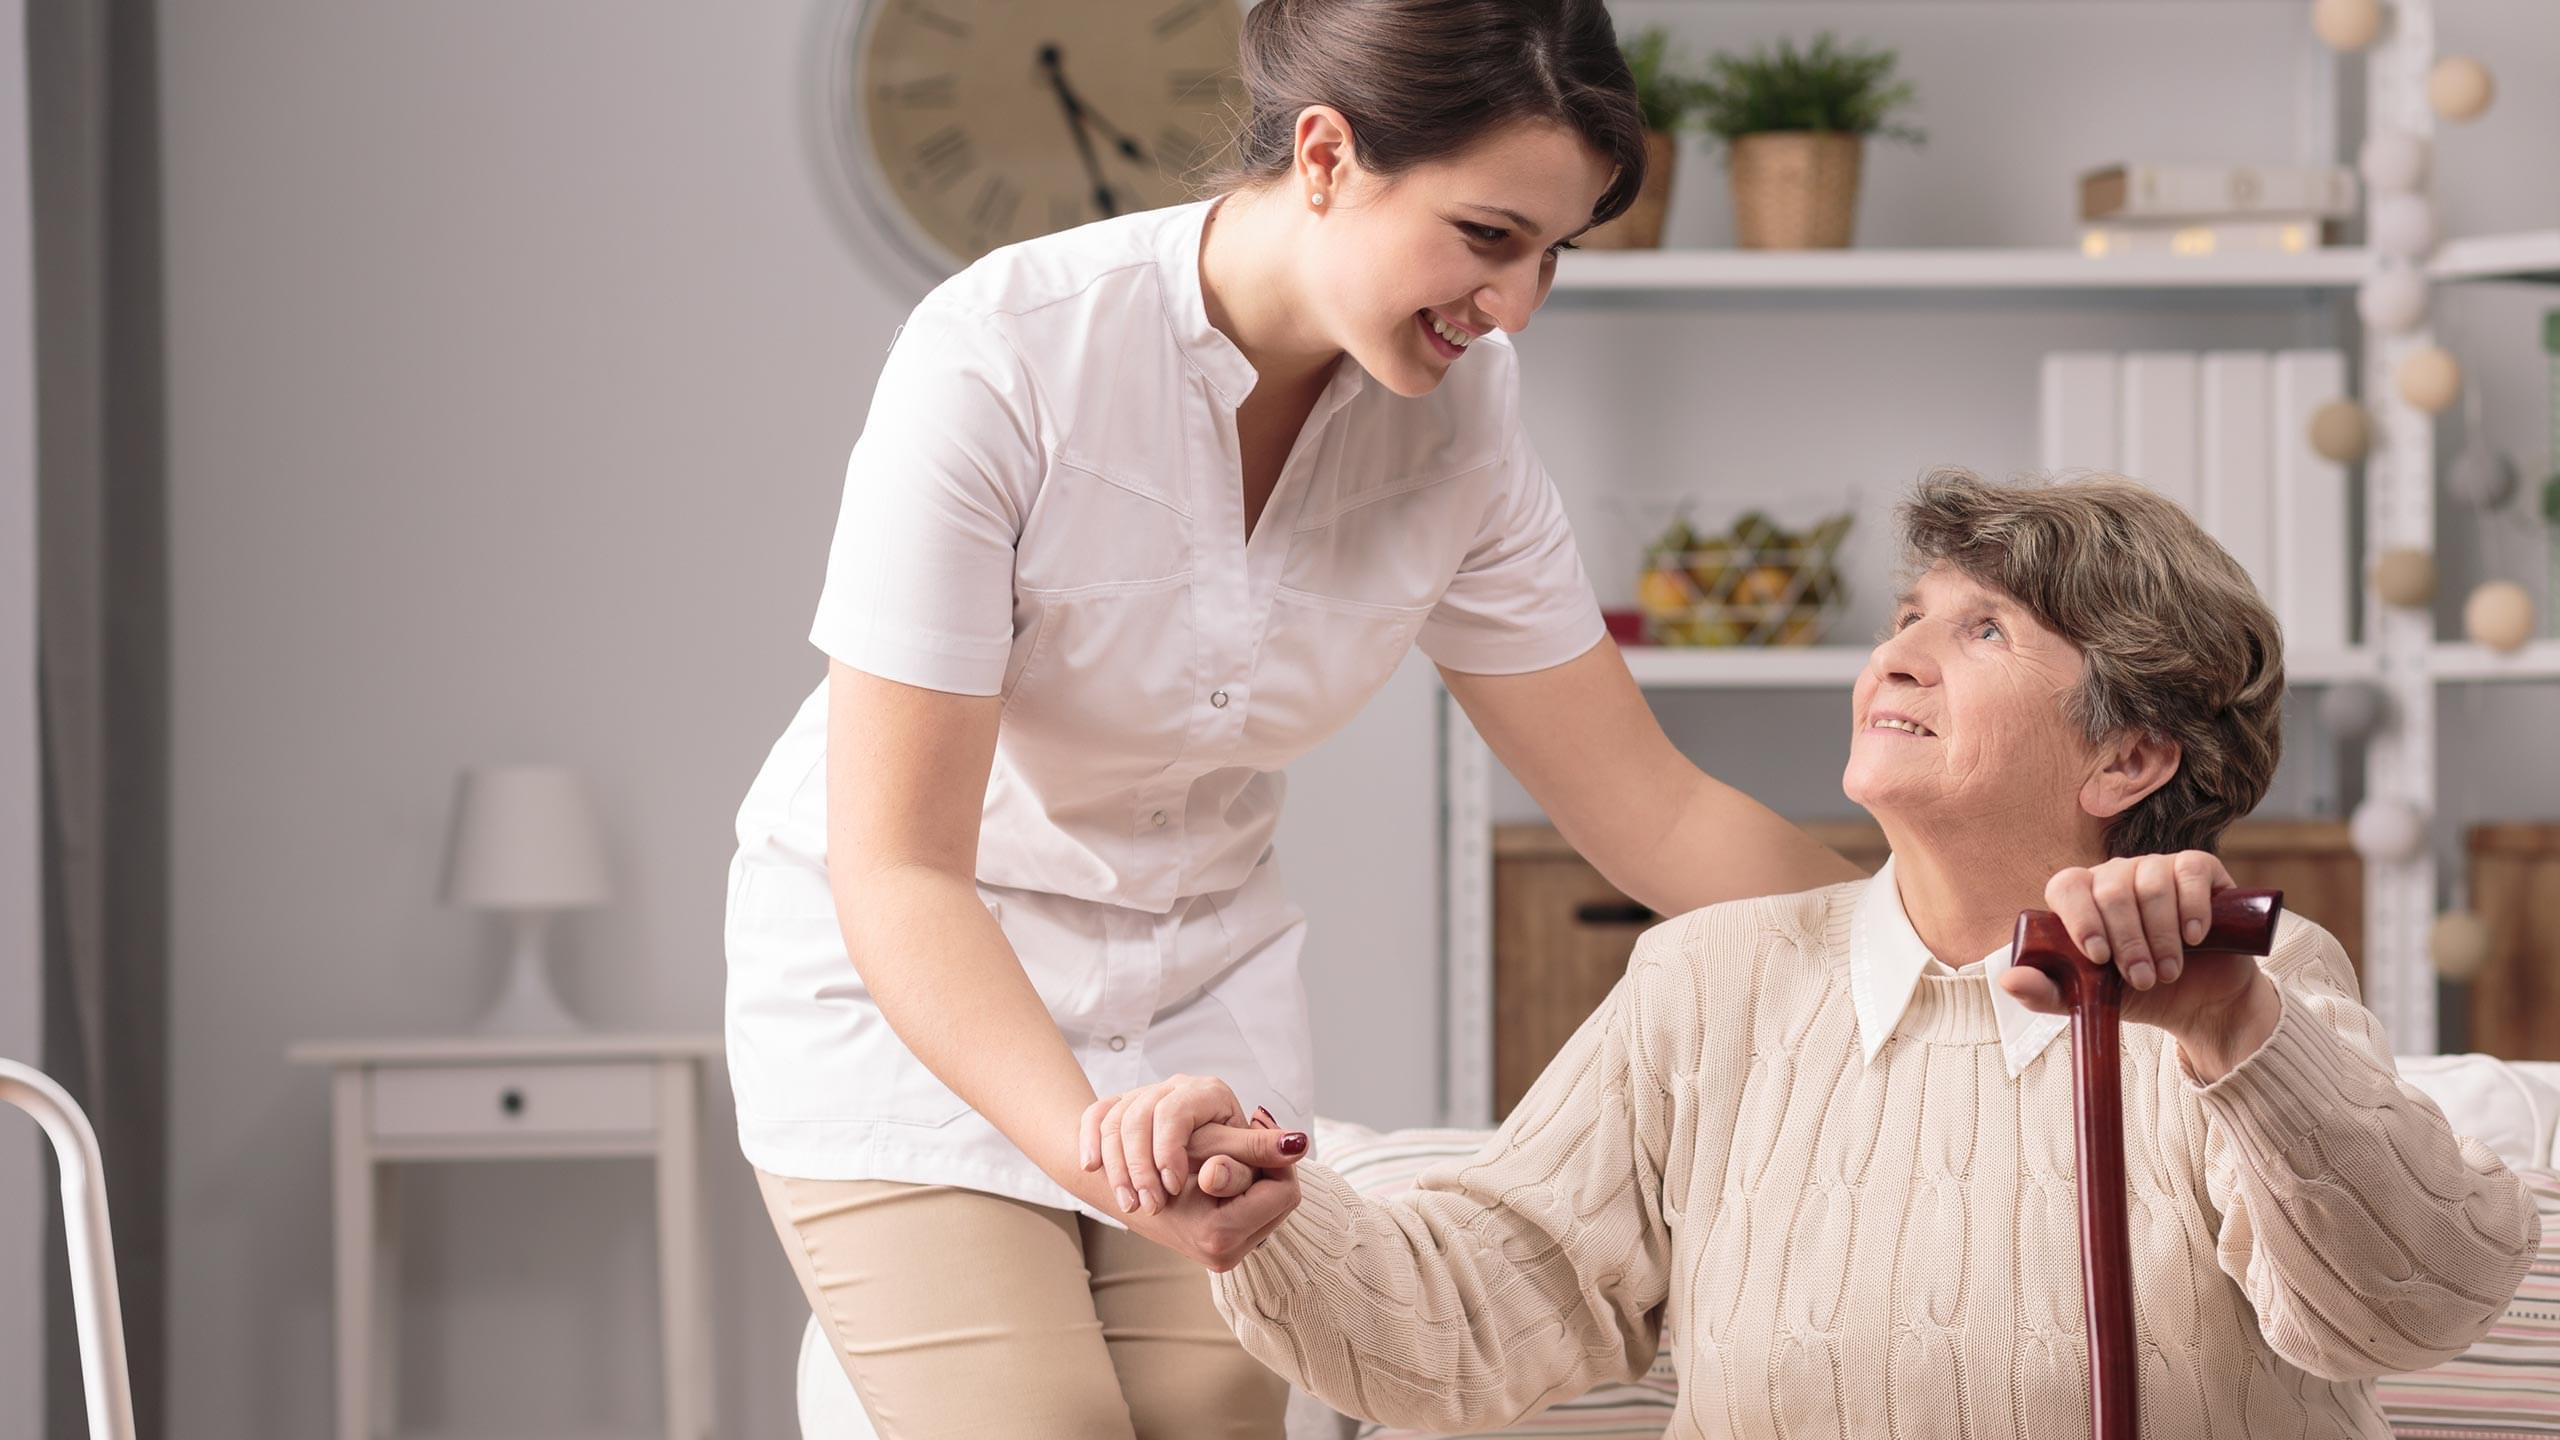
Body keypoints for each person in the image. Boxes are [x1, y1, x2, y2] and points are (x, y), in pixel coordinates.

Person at [724, 0, 2239, 1431]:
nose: (1513, 304)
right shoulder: (1004, 356)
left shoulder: (1460, 422)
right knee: (1038, 1420)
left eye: (1553, 255)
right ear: (1327, 156)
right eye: (1487, 237)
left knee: (1207, 1414)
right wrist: (1092, 1144)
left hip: (1190, 991)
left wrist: (2000, 953)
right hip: (919, 983)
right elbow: (901, 869)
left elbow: (1649, 807)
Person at [1168, 473, 2541, 1439]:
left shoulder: (2252, 987)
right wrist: (1273, 1222)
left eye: (1983, 629)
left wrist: (2232, 1034)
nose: (1898, 658)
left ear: (2130, 756)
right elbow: (1479, 1310)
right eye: (1906, 619)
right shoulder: (1710, 984)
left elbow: (2411, 1307)